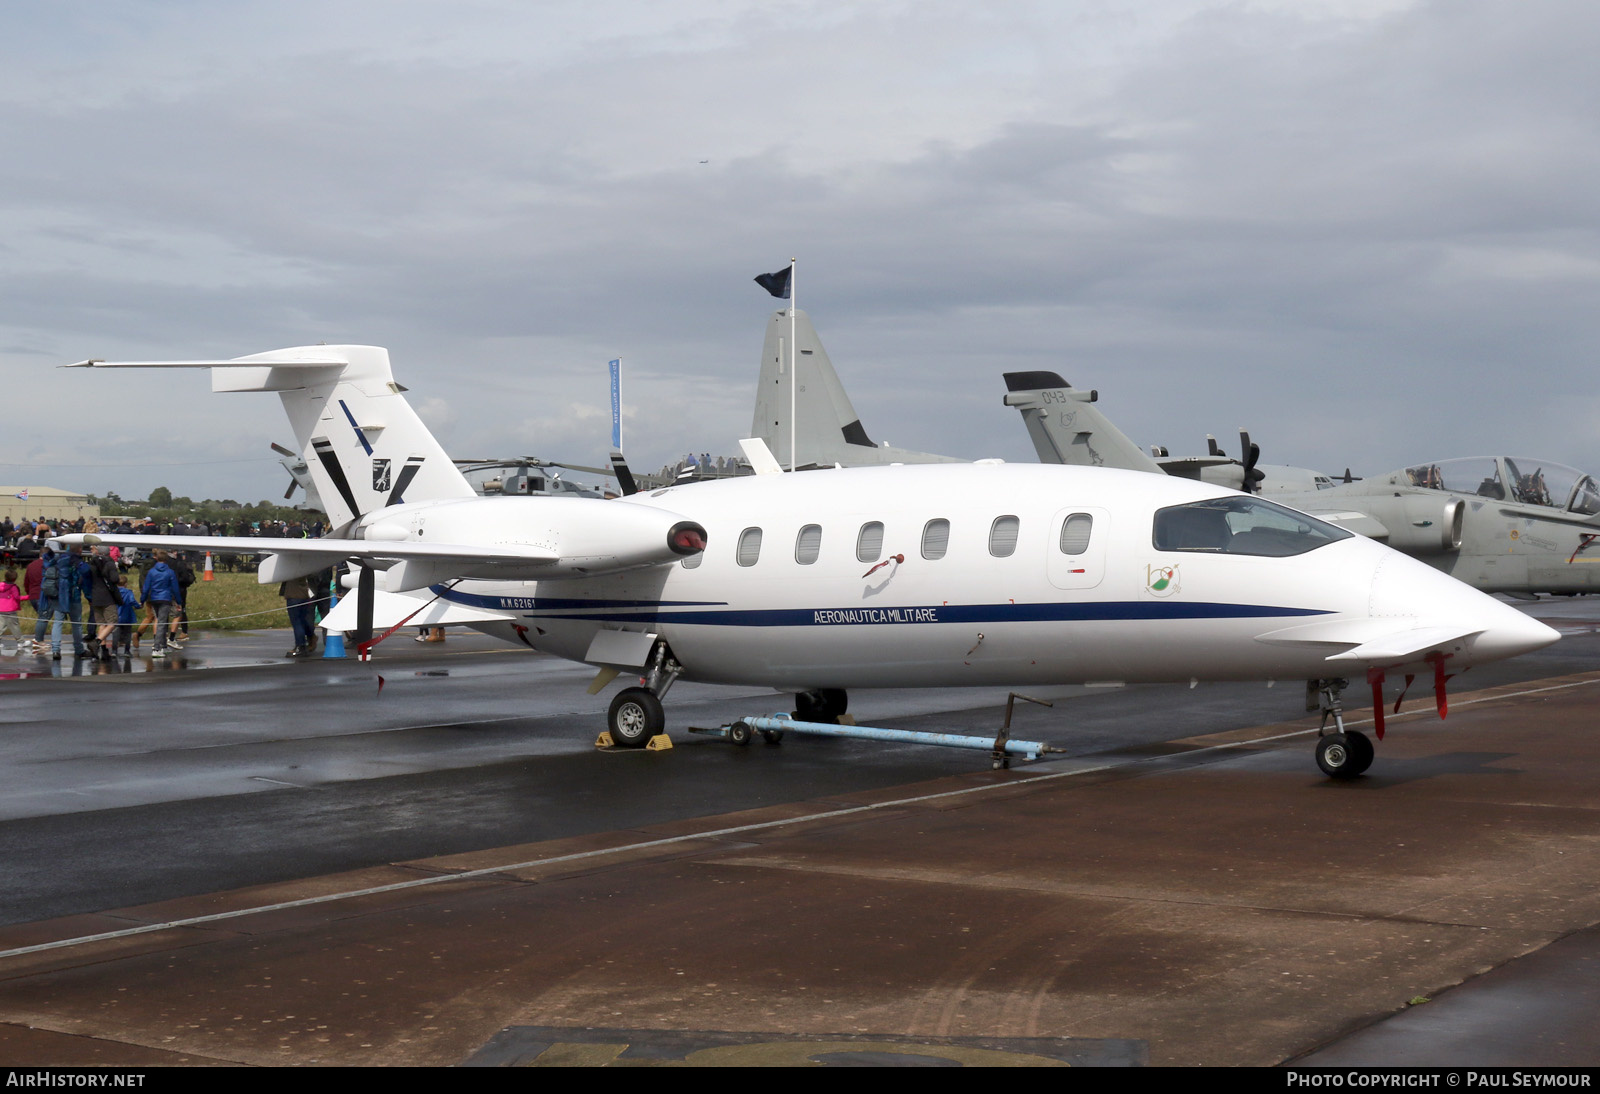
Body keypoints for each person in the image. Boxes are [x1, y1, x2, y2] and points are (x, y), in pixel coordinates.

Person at [38, 546, 87, 660]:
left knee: (57, 622)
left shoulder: (57, 561)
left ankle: (56, 650)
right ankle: (79, 649)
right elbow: (83, 576)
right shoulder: (76, 563)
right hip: (74, 596)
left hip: (58, 597)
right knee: (76, 624)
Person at [140, 549, 182, 658]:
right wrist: (179, 602)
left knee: (160, 620)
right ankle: (156, 648)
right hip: (165, 599)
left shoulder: (152, 571)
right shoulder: (170, 572)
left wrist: (142, 600)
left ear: (157, 558)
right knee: (162, 623)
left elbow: (146, 587)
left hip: (154, 598)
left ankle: (163, 645)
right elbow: (175, 588)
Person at [0, 569, 21, 653]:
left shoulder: (1, 586)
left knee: (1, 626)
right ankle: (20, 641)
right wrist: (27, 597)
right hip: (10, 610)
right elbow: (17, 597)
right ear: (14, 579)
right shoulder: (13, 587)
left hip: (1, 609)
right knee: (15, 626)